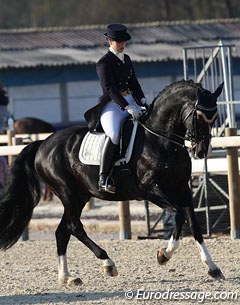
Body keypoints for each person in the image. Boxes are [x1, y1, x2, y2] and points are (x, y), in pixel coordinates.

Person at [84, 23, 150, 194]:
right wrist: (127, 106)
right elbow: (110, 89)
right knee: (114, 134)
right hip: (112, 105)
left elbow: (134, 82)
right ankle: (103, 177)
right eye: (118, 42)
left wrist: (141, 98)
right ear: (109, 42)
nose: (121, 45)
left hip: (131, 101)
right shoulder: (103, 63)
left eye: (123, 42)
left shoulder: (126, 59)